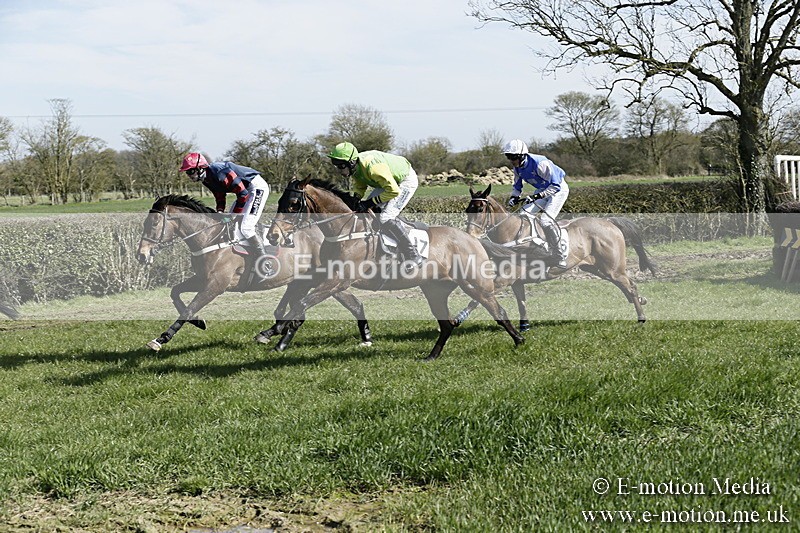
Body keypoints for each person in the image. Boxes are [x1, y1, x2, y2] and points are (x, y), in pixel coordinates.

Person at [328, 142, 423, 272]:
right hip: (387, 183)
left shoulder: (373, 168)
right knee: (369, 212)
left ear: (351, 162)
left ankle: (413, 254)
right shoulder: (356, 167)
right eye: (336, 166)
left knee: (385, 217)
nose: (339, 170)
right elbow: (360, 185)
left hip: (404, 182)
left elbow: (394, 191)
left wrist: (369, 202)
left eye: (341, 166)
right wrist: (356, 198)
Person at [179, 152, 271, 262]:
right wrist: (220, 211)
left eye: (191, 171)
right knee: (230, 224)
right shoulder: (206, 179)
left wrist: (234, 215)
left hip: (256, 187)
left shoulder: (220, 172)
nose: (189, 175)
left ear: (200, 168)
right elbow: (219, 195)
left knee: (246, 227)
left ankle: (264, 259)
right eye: (187, 172)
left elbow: (243, 194)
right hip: (245, 191)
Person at [503, 139, 570, 269]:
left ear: (521, 155)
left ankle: (558, 254)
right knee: (524, 214)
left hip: (558, 190)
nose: (511, 160)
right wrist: (513, 197)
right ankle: (535, 244)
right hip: (543, 190)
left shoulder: (540, 163)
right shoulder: (517, 168)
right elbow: (517, 187)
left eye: (512, 157)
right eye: (508, 157)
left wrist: (537, 196)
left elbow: (555, 186)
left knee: (545, 220)